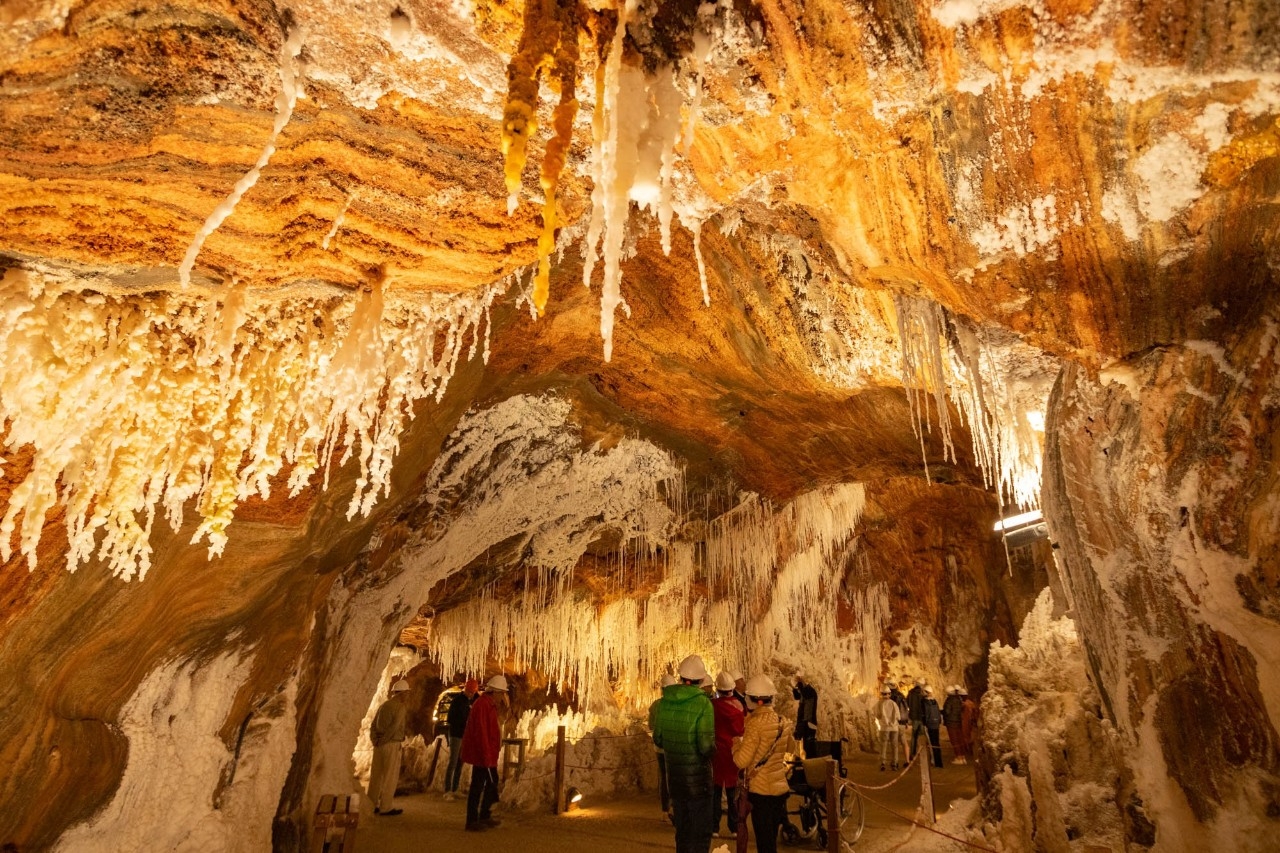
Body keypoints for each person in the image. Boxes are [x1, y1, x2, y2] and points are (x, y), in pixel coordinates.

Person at [653, 654, 716, 853]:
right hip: (698, 783)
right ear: (700, 680)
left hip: (676, 781)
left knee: (682, 831)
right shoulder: (703, 704)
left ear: (681, 678)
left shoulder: (664, 703)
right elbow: (706, 746)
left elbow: (658, 739)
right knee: (700, 832)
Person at [733, 674, 793, 853]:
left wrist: (736, 744)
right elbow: (791, 748)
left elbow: (741, 760)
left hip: (761, 793)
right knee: (771, 840)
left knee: (764, 843)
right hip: (780, 790)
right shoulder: (784, 722)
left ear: (750, 700)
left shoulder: (754, 724)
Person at [460, 675, 508, 831]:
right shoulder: (482, 705)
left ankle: (484, 815)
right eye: (501, 693)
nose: (503, 697)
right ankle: (472, 820)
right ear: (494, 692)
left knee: (491, 782)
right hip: (482, 754)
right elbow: (481, 732)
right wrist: (486, 755)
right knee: (478, 785)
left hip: (488, 754)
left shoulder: (489, 705)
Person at [368, 679, 411, 816]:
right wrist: (384, 740)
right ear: (402, 693)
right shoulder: (400, 707)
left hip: (379, 745)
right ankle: (385, 807)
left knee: (376, 776)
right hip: (391, 744)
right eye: (406, 693)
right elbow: (394, 727)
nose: (407, 696)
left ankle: (370, 804)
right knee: (389, 777)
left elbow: (373, 725)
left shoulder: (384, 705)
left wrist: (376, 740)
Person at [711, 671, 745, 838]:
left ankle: (714, 827)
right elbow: (741, 730)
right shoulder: (738, 706)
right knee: (733, 792)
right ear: (731, 689)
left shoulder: (713, 705)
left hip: (717, 752)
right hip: (732, 751)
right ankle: (734, 827)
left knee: (716, 791)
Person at [443, 677, 478, 800]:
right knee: (453, 762)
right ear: (466, 690)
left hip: (464, 735)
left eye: (473, 693)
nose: (471, 695)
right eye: (470, 692)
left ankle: (455, 788)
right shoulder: (457, 701)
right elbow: (451, 719)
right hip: (456, 734)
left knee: (460, 762)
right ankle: (447, 790)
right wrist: (465, 722)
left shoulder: (470, 701)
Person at [650, 673, 678, 815]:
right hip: (673, 747)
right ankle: (674, 806)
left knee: (664, 776)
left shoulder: (656, 705)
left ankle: (664, 809)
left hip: (659, 748)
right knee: (674, 776)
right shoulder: (678, 705)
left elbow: (651, 726)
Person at [790, 671, 818, 757]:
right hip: (805, 723)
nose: (798, 689)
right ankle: (805, 762)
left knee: (808, 747)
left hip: (809, 724)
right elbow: (797, 696)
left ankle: (810, 764)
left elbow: (806, 714)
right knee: (803, 747)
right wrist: (795, 688)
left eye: (798, 686)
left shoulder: (810, 692)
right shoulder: (805, 693)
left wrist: (800, 682)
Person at [876, 687, 901, 771]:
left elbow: (878, 715)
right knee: (894, 746)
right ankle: (895, 763)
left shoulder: (879, 703)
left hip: (884, 728)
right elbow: (898, 716)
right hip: (894, 728)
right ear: (890, 694)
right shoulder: (893, 703)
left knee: (883, 745)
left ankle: (883, 763)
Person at [922, 686, 943, 768]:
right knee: (936, 742)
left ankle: (934, 761)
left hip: (929, 724)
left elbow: (926, 713)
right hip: (936, 724)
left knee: (931, 743)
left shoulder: (925, 702)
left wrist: (925, 723)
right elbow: (938, 712)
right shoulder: (935, 701)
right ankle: (939, 762)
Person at [943, 685, 965, 764]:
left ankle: (958, 757)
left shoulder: (949, 700)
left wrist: (943, 712)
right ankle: (962, 757)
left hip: (951, 723)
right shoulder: (958, 699)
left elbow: (947, 711)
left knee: (954, 740)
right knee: (959, 739)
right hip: (958, 722)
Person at [906, 677, 925, 759]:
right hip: (921, 717)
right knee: (923, 736)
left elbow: (907, 704)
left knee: (914, 736)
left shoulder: (910, 693)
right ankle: (923, 752)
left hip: (914, 717)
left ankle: (912, 753)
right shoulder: (923, 694)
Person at [959, 687, 978, 762]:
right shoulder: (971, 703)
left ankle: (969, 750)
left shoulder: (965, 704)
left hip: (966, 721)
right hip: (971, 722)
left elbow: (965, 714)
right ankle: (970, 750)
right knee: (970, 736)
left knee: (966, 736)